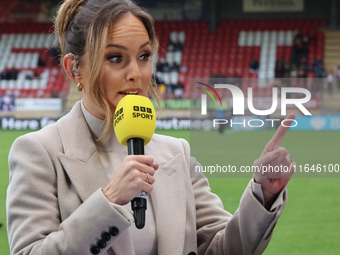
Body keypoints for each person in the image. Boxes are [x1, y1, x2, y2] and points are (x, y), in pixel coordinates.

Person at [6, 1, 296, 254]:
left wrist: (263, 193)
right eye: (116, 58)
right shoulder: (38, 151)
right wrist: (109, 201)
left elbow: (223, 249)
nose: (136, 74)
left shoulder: (176, 152)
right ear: (73, 69)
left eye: (144, 57)